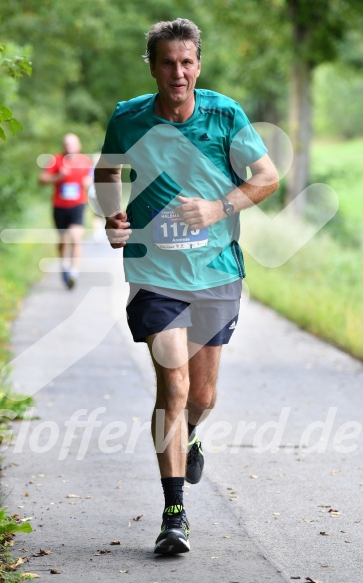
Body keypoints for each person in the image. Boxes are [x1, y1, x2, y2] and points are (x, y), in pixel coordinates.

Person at [95, 18, 279, 555]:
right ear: (151, 67)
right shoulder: (128, 119)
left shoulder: (224, 114)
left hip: (218, 271)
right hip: (154, 273)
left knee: (201, 396)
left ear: (198, 64)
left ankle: (192, 432)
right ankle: (173, 513)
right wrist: (113, 216)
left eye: (187, 62)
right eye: (168, 63)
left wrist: (218, 207)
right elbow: (107, 175)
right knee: (172, 386)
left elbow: (266, 178)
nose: (178, 72)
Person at [39, 133, 92, 289]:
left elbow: (91, 178)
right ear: (63, 146)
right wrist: (58, 177)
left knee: (75, 238)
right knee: (63, 240)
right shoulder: (56, 160)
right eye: (66, 144)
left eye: (72, 144)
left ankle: (73, 273)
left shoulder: (84, 161)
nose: (69, 147)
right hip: (59, 205)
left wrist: (88, 182)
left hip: (78, 204)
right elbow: (41, 179)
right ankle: (64, 266)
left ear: (78, 146)